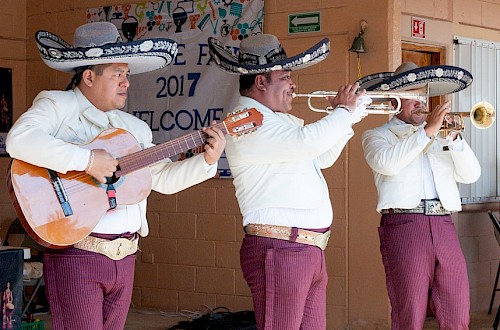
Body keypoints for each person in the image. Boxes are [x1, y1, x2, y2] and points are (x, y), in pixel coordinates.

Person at [6, 22, 225, 329]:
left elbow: (159, 179)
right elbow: (19, 139)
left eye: (127, 74)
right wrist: (86, 160)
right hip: (77, 254)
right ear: (89, 76)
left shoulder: (134, 127)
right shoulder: (58, 105)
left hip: (126, 256)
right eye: (117, 74)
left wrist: (207, 160)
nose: (126, 82)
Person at [208, 34, 369, 329]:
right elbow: (307, 144)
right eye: (286, 77)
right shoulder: (245, 119)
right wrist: (343, 112)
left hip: (304, 249)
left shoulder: (279, 122)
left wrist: (348, 118)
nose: (293, 85)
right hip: (281, 248)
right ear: (260, 82)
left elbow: (321, 156)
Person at [360, 62, 481, 329]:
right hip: (405, 225)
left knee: (457, 310)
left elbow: (471, 175)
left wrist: (454, 139)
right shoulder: (377, 136)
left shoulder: (441, 136)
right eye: (412, 97)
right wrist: (427, 132)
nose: (420, 103)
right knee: (410, 313)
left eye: (422, 96)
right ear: (394, 101)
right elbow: (387, 164)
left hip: (444, 224)